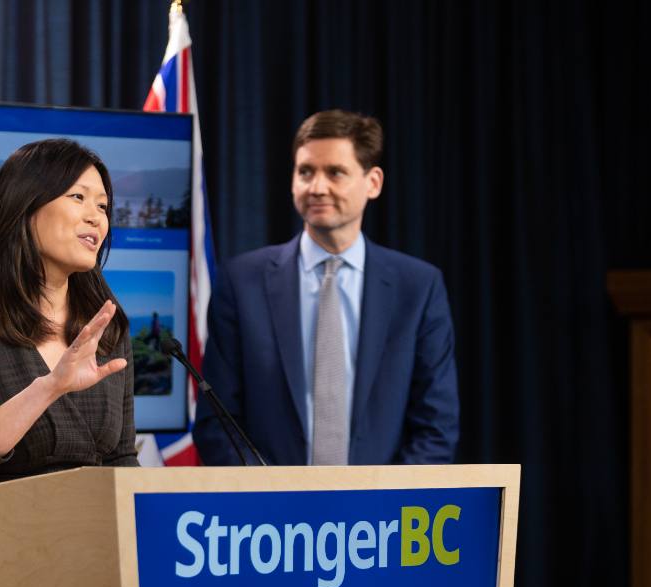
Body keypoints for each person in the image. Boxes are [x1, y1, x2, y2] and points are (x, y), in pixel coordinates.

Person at [193, 109, 458, 466]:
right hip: (269, 515)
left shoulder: (418, 288)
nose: (317, 187)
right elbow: (218, 422)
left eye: (335, 172)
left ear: (373, 182)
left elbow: (436, 426)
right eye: (305, 172)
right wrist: (266, 504)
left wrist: (386, 508)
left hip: (382, 515)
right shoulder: (242, 283)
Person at [0, 138, 138, 489]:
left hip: (93, 535)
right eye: (78, 198)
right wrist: (50, 388)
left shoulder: (107, 328)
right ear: (25, 204)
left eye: (103, 206)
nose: (96, 218)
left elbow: (121, 459)